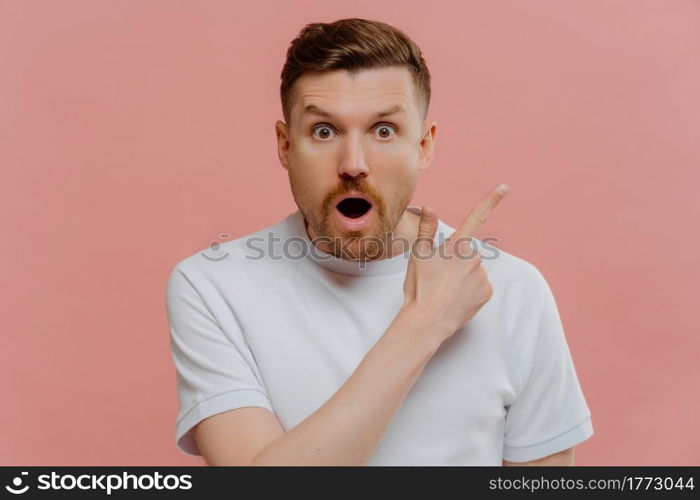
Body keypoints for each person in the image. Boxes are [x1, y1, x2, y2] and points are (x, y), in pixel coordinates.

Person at [165, 18, 593, 466]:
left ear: (423, 145)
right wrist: (424, 323)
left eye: (383, 131)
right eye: (324, 131)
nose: (353, 164)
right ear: (285, 145)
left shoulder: (511, 289)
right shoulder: (211, 287)